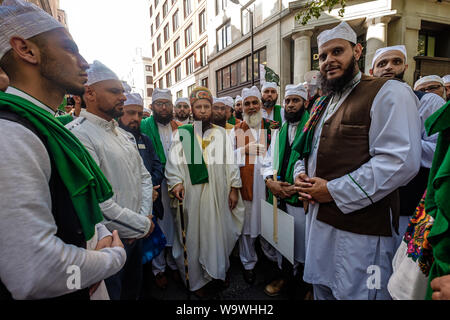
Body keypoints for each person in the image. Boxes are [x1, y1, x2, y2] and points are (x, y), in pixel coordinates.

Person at [0, 0, 126, 300]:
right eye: (70, 49)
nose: (83, 63)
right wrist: (112, 258)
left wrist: (102, 235)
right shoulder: (12, 133)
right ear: (26, 50)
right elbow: (34, 273)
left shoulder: (42, 125)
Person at [293, 21, 422, 300]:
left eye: (337, 51)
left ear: (358, 51)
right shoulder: (321, 104)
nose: (329, 61)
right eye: (323, 55)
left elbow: (400, 162)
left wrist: (332, 191)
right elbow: (305, 150)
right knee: (323, 289)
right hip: (320, 225)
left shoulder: (389, 92)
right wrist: (300, 174)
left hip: (360, 235)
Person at [68, 60, 154, 300]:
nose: (123, 98)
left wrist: (142, 219)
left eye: (122, 92)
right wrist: (142, 224)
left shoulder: (124, 136)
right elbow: (96, 203)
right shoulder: (79, 135)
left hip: (135, 237)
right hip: (108, 243)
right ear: (90, 93)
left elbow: (144, 178)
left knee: (132, 293)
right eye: (114, 91)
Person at [165, 86, 244, 297]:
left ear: (211, 109)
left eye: (206, 106)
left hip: (219, 194)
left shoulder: (221, 133)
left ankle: (217, 271)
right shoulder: (183, 134)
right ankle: (198, 281)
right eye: (198, 107)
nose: (202, 111)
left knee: (220, 233)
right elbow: (173, 164)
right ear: (192, 109)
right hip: (193, 197)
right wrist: (176, 183)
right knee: (193, 237)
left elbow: (231, 163)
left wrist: (234, 189)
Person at [371, 45, 446, 248]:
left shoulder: (427, 102)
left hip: (410, 205)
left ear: (405, 66)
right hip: (372, 205)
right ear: (372, 72)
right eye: (382, 63)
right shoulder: (369, 105)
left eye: (396, 62)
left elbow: (438, 152)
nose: (389, 68)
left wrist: (398, 145)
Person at [262, 84, 310, 297]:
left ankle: (308, 285)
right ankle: (285, 277)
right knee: (283, 241)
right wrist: (269, 182)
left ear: (305, 103)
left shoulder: (314, 127)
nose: (290, 105)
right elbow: (268, 159)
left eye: (295, 101)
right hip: (279, 195)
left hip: (303, 197)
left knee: (305, 244)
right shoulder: (280, 130)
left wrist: (299, 184)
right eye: (288, 101)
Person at [229, 86, 280, 284]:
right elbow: (227, 159)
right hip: (246, 186)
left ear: (260, 105)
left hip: (269, 185)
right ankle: (248, 263)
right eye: (247, 103)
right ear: (242, 107)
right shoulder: (236, 130)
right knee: (248, 227)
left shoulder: (273, 126)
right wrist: (245, 150)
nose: (251, 107)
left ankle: (273, 261)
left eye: (254, 103)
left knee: (270, 223)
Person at [141, 88, 182, 289]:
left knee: (176, 223)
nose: (164, 108)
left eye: (167, 104)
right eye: (159, 104)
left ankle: (174, 264)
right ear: (152, 106)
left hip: (177, 183)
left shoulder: (180, 127)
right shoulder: (143, 127)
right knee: (159, 223)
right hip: (156, 184)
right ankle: (159, 269)